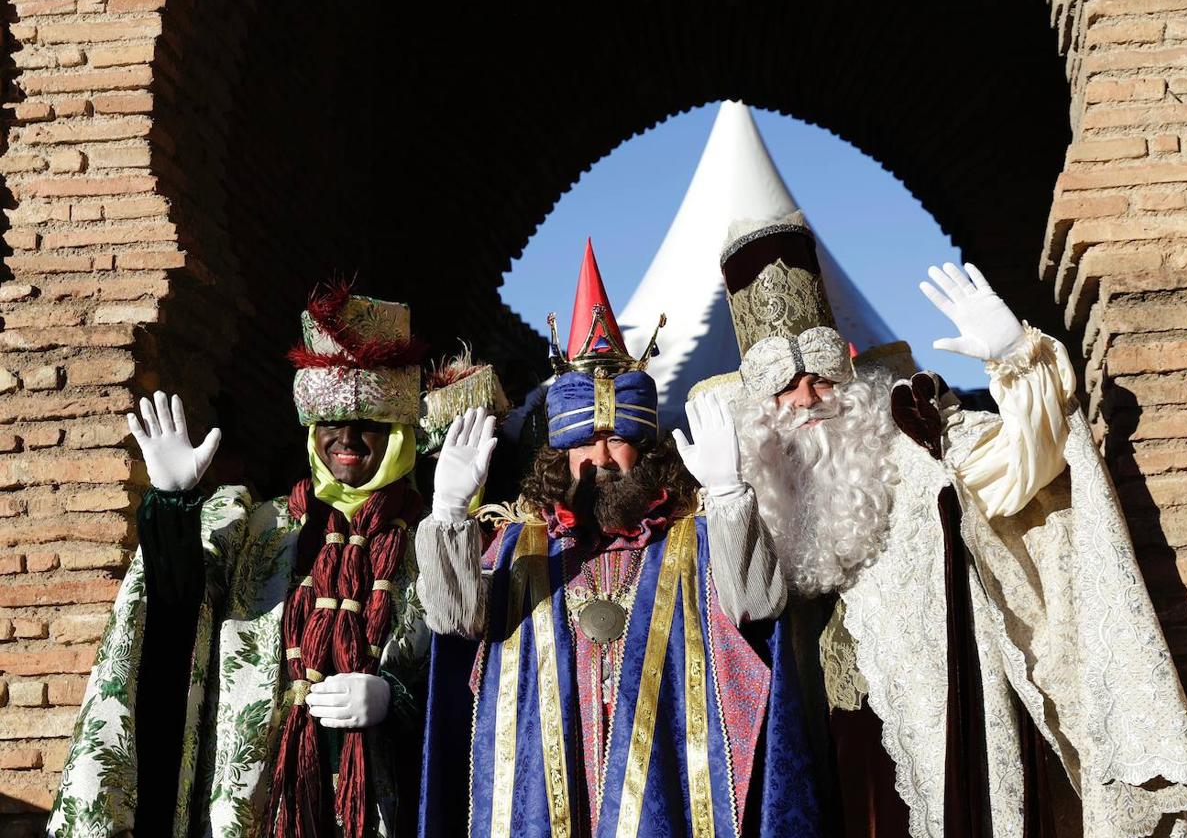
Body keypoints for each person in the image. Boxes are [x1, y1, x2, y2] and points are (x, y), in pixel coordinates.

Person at [698, 212, 1187, 837]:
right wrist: (726, 496)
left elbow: (1027, 462)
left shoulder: (920, 439)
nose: (805, 399)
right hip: (839, 744)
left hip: (956, 723)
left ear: (850, 378)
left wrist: (1019, 364)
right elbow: (752, 602)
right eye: (782, 386)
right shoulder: (765, 493)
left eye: (820, 373)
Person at [416, 241, 824, 837]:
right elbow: (453, 624)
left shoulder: (694, 538)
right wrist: (449, 512)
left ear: (647, 448)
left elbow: (758, 608)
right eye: (584, 442)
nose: (600, 459)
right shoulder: (520, 547)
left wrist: (732, 496)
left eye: (617, 440)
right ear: (559, 454)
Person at [48, 287, 430, 837]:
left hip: (383, 797)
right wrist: (174, 506)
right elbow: (177, 622)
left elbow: (468, 677)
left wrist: (397, 699)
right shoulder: (257, 528)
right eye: (331, 422)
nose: (346, 439)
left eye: (368, 423)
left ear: (397, 434)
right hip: (253, 798)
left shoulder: (431, 541)